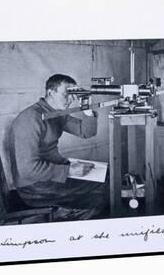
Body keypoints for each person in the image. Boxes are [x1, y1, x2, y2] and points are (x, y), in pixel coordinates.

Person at [9, 74, 107, 220]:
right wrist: (69, 170)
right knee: (104, 188)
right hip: (34, 187)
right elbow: (27, 170)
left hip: (50, 174)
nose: (71, 99)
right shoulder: (31, 118)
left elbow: (86, 132)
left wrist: (87, 108)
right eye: (67, 94)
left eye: (74, 94)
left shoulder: (56, 112)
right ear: (50, 92)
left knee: (107, 174)